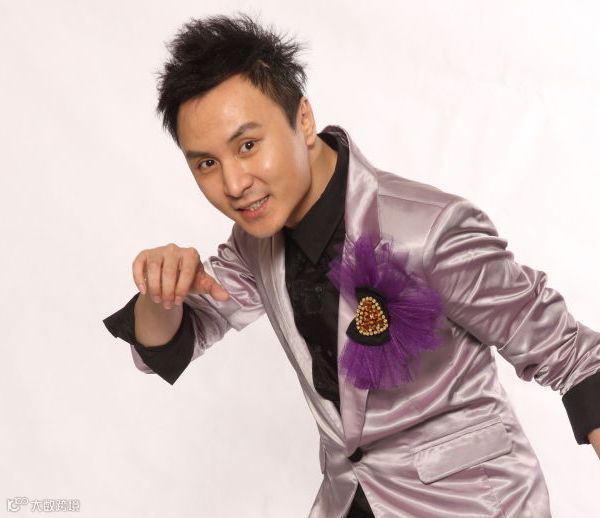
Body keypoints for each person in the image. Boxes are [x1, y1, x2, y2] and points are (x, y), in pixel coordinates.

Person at [102, 13, 600, 518]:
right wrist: (159, 292)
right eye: (206, 163)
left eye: (248, 146)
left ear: (303, 119)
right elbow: (173, 341)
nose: (233, 184)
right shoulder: (254, 243)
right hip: (351, 501)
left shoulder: (429, 229)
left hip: (474, 502)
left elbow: (574, 356)